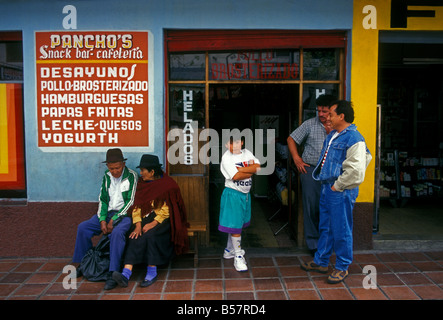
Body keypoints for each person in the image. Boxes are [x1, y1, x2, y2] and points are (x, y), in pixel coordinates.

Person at [300, 100, 372, 284]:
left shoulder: (354, 138)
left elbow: (359, 167)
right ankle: (322, 261)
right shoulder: (334, 134)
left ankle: (342, 267)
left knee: (341, 229)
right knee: (326, 226)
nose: (327, 117)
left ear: (342, 116)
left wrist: (337, 185)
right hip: (328, 187)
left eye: (331, 114)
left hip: (339, 190)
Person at [112, 154, 189, 288]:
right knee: (135, 235)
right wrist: (138, 225)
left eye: (143, 170)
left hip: (163, 220)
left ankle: (151, 272)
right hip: (145, 218)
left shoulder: (167, 185)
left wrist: (153, 223)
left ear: (152, 172)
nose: (141, 173)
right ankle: (126, 273)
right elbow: (136, 207)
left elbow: (168, 209)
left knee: (151, 235)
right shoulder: (142, 185)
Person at [72, 148, 138, 290]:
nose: (115, 171)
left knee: (117, 233)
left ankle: (112, 272)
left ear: (123, 164)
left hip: (124, 215)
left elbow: (130, 202)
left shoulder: (132, 176)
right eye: (112, 168)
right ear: (107, 166)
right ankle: (83, 265)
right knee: (83, 228)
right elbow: (102, 199)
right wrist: (102, 219)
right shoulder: (106, 177)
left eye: (117, 168)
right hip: (106, 214)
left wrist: (113, 219)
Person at [287, 94, 335, 255]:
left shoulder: (340, 127)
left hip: (332, 174)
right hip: (311, 171)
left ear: (333, 110)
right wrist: (297, 159)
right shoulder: (310, 124)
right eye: (319, 110)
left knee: (330, 207)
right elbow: (291, 139)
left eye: (325, 111)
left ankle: (328, 243)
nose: (321, 114)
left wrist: (330, 132)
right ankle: (314, 244)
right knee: (311, 207)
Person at [218, 136, 260, 272]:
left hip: (245, 195)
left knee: (238, 224)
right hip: (233, 194)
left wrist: (241, 170)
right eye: (231, 142)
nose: (234, 145)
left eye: (237, 142)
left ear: (241, 142)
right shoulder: (226, 157)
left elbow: (257, 167)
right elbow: (235, 176)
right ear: (226, 144)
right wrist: (249, 169)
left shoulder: (247, 153)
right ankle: (238, 256)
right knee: (235, 226)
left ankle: (229, 250)